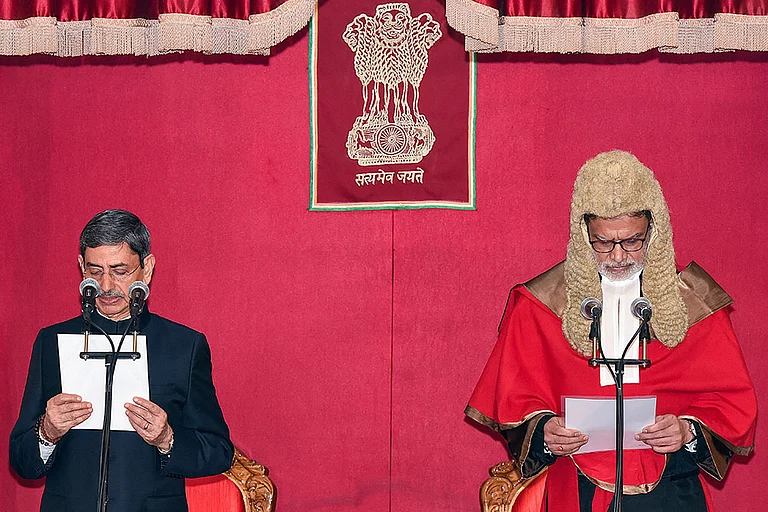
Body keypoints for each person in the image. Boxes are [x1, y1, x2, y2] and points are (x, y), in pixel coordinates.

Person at [466, 151, 756, 511]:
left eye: (633, 241)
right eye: (603, 242)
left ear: (655, 230)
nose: (618, 256)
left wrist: (687, 430)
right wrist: (545, 431)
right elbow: (514, 397)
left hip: (670, 487)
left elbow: (730, 400)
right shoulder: (542, 303)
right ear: (582, 232)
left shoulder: (695, 303)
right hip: (575, 486)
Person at [10, 209, 234, 512]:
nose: (106, 286)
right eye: (95, 271)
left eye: (120, 271)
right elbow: (21, 461)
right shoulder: (51, 341)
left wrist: (167, 439)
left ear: (147, 268)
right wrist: (46, 431)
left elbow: (219, 451)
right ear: (80, 267)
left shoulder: (184, 346)